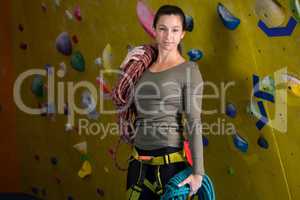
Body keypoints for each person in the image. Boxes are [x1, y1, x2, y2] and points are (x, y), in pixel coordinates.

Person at [118, 5, 205, 199]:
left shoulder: (189, 70)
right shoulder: (142, 67)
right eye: (163, 29)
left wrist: (198, 172)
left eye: (175, 30)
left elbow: (194, 121)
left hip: (169, 165)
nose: (168, 36)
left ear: (182, 34)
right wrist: (125, 68)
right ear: (155, 30)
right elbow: (125, 103)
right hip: (138, 162)